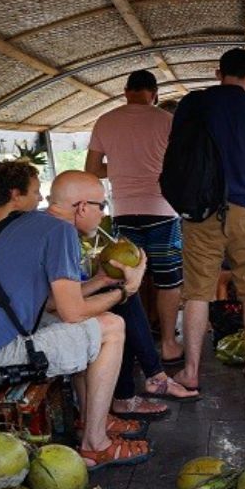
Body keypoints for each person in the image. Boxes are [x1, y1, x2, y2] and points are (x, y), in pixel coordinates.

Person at [0, 170, 152, 469]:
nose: (104, 213)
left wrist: (102, 280)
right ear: (82, 207)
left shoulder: (27, 222)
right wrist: (127, 290)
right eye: (101, 205)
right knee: (112, 327)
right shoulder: (61, 232)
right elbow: (72, 311)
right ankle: (95, 445)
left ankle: (91, 420)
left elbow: (51, 303)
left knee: (87, 326)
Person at [171, 49, 245, 389]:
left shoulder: (193, 103)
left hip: (201, 209)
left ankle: (191, 372)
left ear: (218, 72)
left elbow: (177, 152)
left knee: (197, 293)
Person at [84, 70, 185, 364]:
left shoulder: (106, 121)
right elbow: (179, 166)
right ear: (154, 94)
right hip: (163, 212)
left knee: (129, 280)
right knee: (168, 280)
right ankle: (168, 344)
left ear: (125, 91)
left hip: (125, 212)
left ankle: (138, 347)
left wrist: (119, 167)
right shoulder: (168, 121)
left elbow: (92, 169)